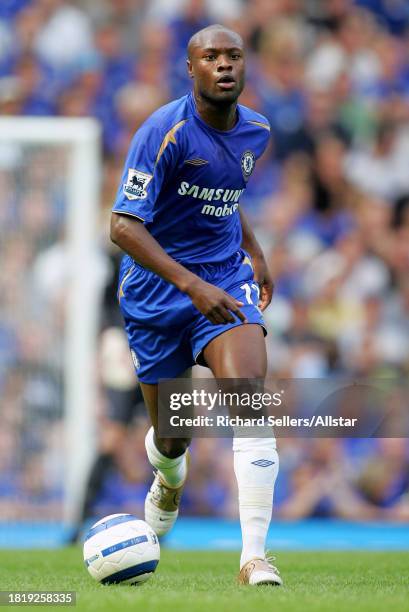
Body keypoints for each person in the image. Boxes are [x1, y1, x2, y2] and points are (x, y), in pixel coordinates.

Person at [110, 24, 282, 586]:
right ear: (192, 69)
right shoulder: (165, 131)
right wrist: (190, 286)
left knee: (248, 397)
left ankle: (254, 556)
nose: (225, 65)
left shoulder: (257, 131)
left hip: (224, 279)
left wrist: (253, 251)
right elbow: (122, 225)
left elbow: (227, 196)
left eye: (234, 55)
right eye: (212, 57)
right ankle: (169, 475)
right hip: (157, 290)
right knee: (173, 434)